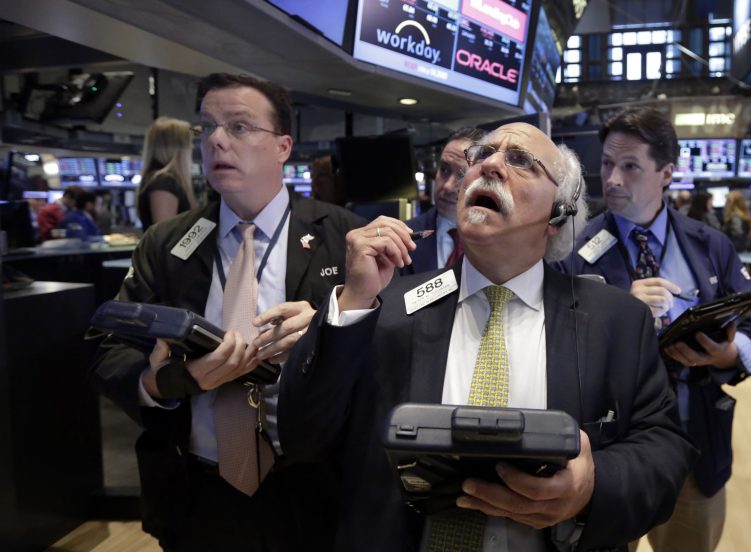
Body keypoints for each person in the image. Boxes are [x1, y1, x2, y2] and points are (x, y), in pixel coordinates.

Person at [278, 122, 695, 551]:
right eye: (481, 155)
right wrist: (352, 304)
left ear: (560, 214)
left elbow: (662, 452)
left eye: (520, 161)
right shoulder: (383, 306)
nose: (489, 165)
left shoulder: (617, 321)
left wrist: (591, 486)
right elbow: (302, 437)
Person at [89, 72, 365, 551]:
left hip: (316, 488)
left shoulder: (346, 238)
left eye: (238, 127)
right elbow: (106, 347)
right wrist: (161, 382)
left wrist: (327, 328)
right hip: (195, 490)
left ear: (283, 146)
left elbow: (391, 351)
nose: (216, 140)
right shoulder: (168, 242)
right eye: (207, 128)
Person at [556, 106, 751, 552]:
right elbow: (556, 343)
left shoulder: (710, 246)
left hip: (696, 444)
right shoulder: (577, 250)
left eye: (630, 166)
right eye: (608, 163)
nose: (612, 178)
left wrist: (728, 354)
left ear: (667, 172)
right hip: (611, 453)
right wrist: (620, 313)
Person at [403, 127, 486, 274]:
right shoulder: (404, 237)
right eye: (444, 169)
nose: (447, 186)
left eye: (462, 176)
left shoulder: (504, 243)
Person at [137, 116, 198, 231]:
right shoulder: (163, 183)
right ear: (176, 147)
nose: (192, 147)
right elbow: (165, 240)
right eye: (188, 143)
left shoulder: (163, 181)